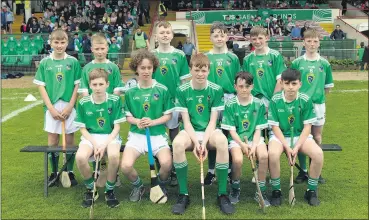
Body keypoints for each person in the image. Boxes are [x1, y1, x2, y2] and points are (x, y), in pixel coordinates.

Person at [171, 53, 235, 215]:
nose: (200, 74)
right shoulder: (182, 90)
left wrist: (203, 142)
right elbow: (185, 122)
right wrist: (196, 142)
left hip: (210, 131)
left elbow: (213, 122)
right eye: (197, 70)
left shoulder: (216, 89)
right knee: (177, 143)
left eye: (204, 70)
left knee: (222, 141)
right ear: (191, 70)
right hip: (190, 131)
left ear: (208, 71)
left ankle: (222, 194)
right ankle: (183, 194)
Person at [120, 48, 174, 203]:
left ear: (153, 68)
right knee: (126, 166)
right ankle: (138, 186)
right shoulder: (130, 92)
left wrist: (153, 122)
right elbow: (128, 116)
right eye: (142, 68)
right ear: (136, 69)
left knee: (166, 164)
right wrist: (137, 121)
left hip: (157, 135)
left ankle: (160, 185)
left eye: (149, 68)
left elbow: (168, 115)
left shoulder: (162, 90)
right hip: (137, 135)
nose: (146, 71)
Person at [267, 68, 324, 206]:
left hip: (300, 136)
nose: (290, 87)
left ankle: (311, 190)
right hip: (279, 136)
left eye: (294, 84)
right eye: (287, 84)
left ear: (300, 84)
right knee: (273, 154)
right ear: (281, 83)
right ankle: (276, 191)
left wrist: (297, 146)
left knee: (318, 154)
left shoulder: (305, 100)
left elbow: (307, 127)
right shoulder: (275, 100)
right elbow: (275, 127)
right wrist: (286, 147)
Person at [33, 29, 82, 187]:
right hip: (52, 107)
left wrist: (70, 107)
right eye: (56, 42)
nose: (59, 45)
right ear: (51, 42)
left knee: (69, 140)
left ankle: (69, 171)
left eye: (62, 42)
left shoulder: (73, 62)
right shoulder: (45, 63)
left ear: (67, 43)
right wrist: (51, 109)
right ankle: (54, 172)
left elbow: (77, 86)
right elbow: (41, 87)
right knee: (53, 140)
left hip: (69, 106)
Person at [74, 68, 125, 208]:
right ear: (89, 85)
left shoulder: (115, 100)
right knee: (80, 157)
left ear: (107, 84)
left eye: (101, 84)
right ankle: (91, 189)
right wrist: (95, 143)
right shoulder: (83, 102)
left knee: (114, 156)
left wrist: (104, 145)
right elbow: (82, 128)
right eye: (94, 84)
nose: (97, 88)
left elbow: (117, 128)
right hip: (91, 137)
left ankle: (109, 191)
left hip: (110, 136)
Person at [242, 26, 286, 182]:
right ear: (250, 40)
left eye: (260, 38)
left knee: (271, 133)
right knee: (258, 134)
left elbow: (280, 80)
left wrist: (272, 102)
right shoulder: (248, 59)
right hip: (255, 102)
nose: (257, 41)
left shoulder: (275, 56)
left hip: (272, 100)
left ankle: (268, 168)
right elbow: (246, 82)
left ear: (267, 38)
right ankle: (261, 168)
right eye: (254, 39)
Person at [291, 28, 334, 184]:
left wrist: (317, 96)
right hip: (300, 105)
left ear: (319, 43)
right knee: (301, 138)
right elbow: (291, 84)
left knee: (316, 137)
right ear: (303, 42)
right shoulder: (297, 62)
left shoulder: (324, 63)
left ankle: (316, 170)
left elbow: (327, 87)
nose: (312, 44)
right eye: (309, 41)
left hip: (318, 106)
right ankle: (303, 171)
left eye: (315, 41)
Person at [221, 71, 270, 206]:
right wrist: (242, 144)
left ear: (252, 87)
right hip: (237, 140)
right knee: (237, 160)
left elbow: (258, 129)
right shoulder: (230, 104)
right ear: (235, 87)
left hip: (255, 139)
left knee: (264, 156)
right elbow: (231, 130)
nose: (244, 89)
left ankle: (261, 191)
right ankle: (235, 188)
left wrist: (253, 146)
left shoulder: (259, 103)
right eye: (241, 86)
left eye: (247, 86)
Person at [152, 21, 191, 185]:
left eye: (168, 32)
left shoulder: (180, 55)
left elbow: (185, 80)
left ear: (172, 35)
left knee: (174, 133)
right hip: (155, 101)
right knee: (157, 134)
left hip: (174, 101)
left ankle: (174, 167)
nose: (165, 35)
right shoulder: (151, 55)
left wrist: (185, 104)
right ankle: (161, 166)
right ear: (156, 35)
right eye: (161, 32)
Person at [204, 22, 241, 184]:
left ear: (227, 36)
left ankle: (228, 169)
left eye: (222, 35)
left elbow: (238, 80)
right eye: (216, 35)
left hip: (229, 98)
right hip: (210, 99)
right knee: (212, 134)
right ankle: (211, 170)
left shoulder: (233, 57)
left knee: (228, 133)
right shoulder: (206, 57)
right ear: (211, 37)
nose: (219, 38)